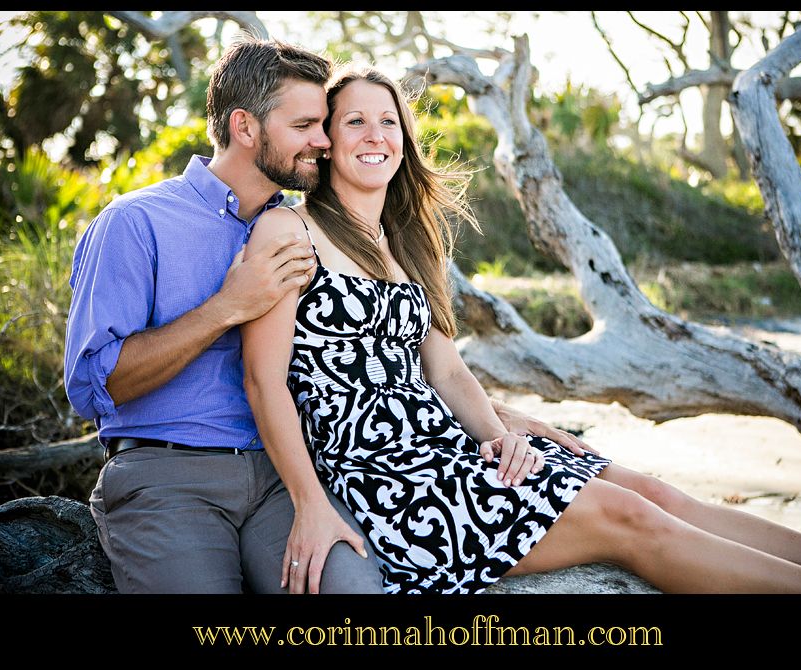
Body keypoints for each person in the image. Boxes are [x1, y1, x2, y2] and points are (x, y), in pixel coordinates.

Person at [241, 65, 801, 594]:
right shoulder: (292, 232)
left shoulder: (405, 243)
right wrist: (308, 503)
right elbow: (263, 380)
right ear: (326, 140)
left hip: (449, 448)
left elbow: (446, 370)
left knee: (651, 489)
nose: (375, 135)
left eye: (388, 121)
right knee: (626, 517)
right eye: (355, 121)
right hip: (391, 484)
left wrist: (498, 434)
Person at [63, 35, 586, 595]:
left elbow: (362, 365)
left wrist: (496, 416)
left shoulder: (297, 225)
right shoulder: (135, 223)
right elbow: (95, 385)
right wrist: (226, 308)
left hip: (284, 477)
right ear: (245, 127)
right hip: (167, 477)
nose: (323, 139)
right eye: (306, 126)